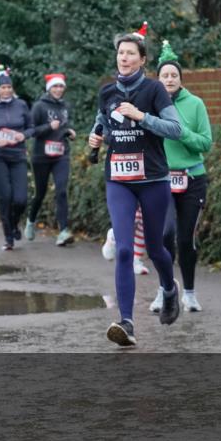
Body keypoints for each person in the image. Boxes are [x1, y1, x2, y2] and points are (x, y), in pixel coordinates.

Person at [88, 31, 183, 347]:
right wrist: (95, 138)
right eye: (120, 53)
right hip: (119, 180)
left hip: (153, 179)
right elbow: (102, 123)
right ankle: (126, 323)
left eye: (130, 53)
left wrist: (141, 116)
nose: (124, 58)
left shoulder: (155, 90)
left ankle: (169, 289)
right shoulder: (107, 92)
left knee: (156, 249)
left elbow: (175, 129)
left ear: (143, 59)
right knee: (125, 249)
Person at [149, 40, 212, 314]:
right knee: (164, 235)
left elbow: (205, 143)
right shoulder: (149, 103)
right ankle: (165, 291)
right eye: (165, 75)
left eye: (174, 75)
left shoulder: (195, 104)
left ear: (181, 79)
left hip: (192, 179)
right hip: (161, 179)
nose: (170, 79)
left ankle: (189, 293)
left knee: (186, 239)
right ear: (158, 79)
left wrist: (180, 131)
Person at [0, 65, 34, 250]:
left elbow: (31, 127)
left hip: (17, 155)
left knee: (20, 199)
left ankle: (14, 222)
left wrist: (23, 136)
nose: (6, 90)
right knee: (5, 197)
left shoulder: (21, 105)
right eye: (3, 87)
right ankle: (8, 237)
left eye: (9, 87)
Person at [26, 73, 77, 246]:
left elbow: (65, 126)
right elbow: (31, 131)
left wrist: (70, 132)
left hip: (61, 154)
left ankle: (63, 231)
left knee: (62, 191)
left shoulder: (66, 106)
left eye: (61, 86)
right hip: (41, 156)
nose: (58, 89)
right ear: (49, 89)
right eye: (55, 86)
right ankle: (31, 220)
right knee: (40, 193)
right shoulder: (39, 106)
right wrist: (49, 126)